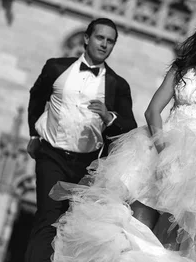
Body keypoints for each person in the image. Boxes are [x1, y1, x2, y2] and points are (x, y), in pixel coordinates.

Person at [51, 5, 196, 261]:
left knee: (167, 245)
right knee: (132, 232)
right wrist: (163, 154)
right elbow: (153, 111)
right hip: (157, 150)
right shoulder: (183, 68)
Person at [24, 18, 137, 262]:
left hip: (87, 165)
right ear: (87, 39)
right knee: (47, 217)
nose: (104, 44)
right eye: (100, 38)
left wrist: (109, 117)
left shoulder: (117, 85)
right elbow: (36, 97)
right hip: (52, 155)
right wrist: (34, 133)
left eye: (110, 41)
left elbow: (129, 129)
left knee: (71, 227)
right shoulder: (56, 68)